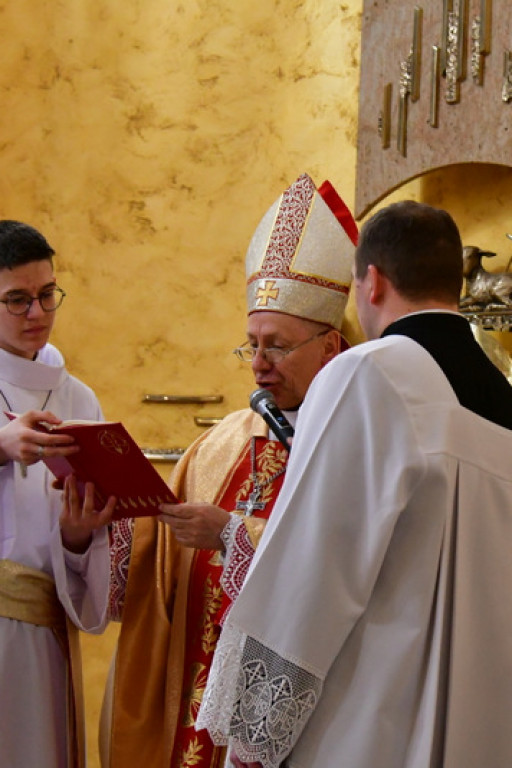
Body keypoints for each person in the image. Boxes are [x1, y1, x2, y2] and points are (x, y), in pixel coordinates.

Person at [195, 200, 512, 768]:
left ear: (372, 281)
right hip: (468, 729)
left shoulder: (368, 372)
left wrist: (255, 734)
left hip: (364, 728)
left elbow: (312, 566)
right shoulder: (505, 397)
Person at [101, 173, 357, 768]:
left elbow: (343, 565)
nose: (259, 366)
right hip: (197, 705)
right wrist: (103, 520)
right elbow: (152, 562)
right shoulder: (220, 445)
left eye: (277, 346)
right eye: (251, 345)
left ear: (331, 346)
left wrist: (232, 534)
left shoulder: (353, 449)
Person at [0, 220, 112, 767]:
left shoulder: (78, 398)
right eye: (17, 300)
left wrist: (75, 536)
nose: (37, 314)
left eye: (46, 295)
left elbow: (77, 541)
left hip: (43, 635)